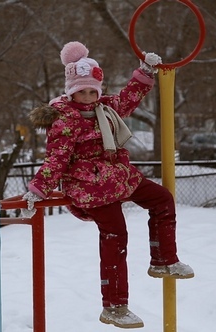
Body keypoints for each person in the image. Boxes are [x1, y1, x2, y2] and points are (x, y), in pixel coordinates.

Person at [22, 41, 194, 329]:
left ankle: (163, 259)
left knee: (162, 198)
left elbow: (128, 99)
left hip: (117, 175)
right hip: (88, 183)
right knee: (116, 233)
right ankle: (114, 306)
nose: (88, 97)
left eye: (92, 91)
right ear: (71, 90)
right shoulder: (65, 118)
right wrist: (38, 190)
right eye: (81, 91)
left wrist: (145, 71)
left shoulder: (105, 108)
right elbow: (58, 157)